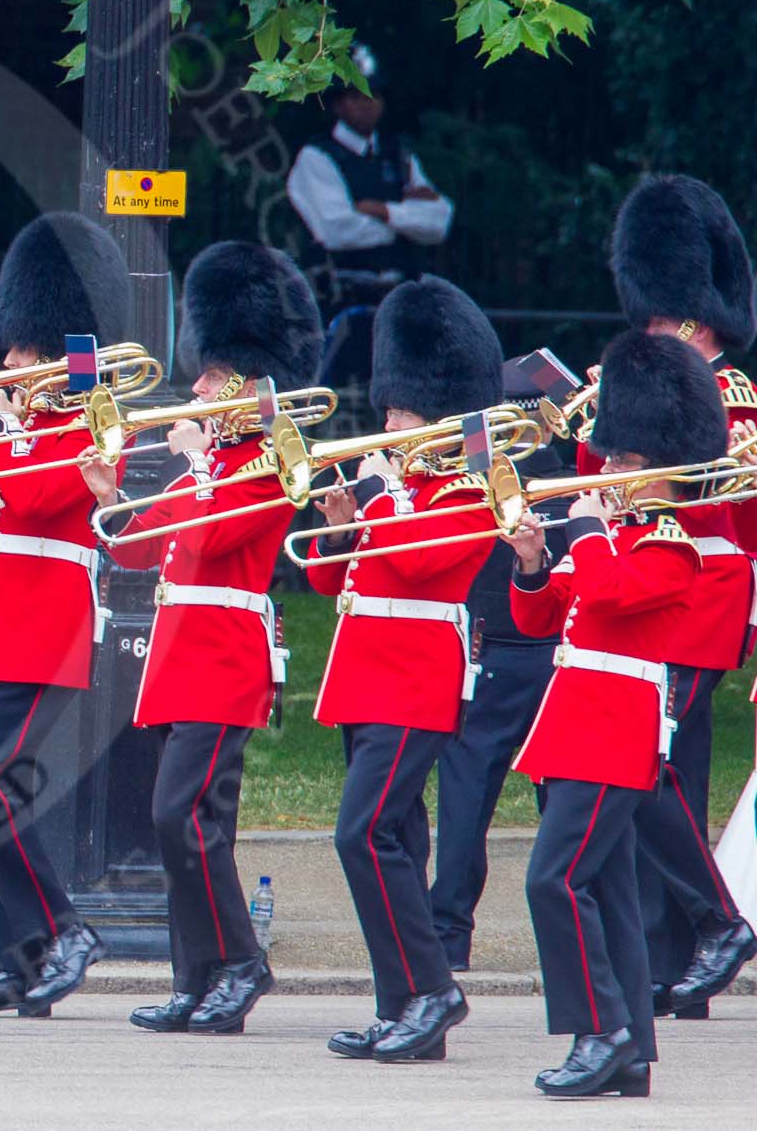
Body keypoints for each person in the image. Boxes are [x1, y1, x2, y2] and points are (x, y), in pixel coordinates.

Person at [80, 241, 323, 1036]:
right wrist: (107, 495)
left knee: (180, 816)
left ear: (246, 384)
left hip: (223, 657)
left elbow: (218, 542)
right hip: (182, 658)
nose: (196, 388)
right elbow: (136, 545)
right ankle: (198, 977)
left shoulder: (262, 464)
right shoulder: (209, 465)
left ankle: (240, 963)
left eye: (212, 377)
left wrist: (198, 462)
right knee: (187, 820)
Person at [507, 330, 726, 1098]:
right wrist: (534, 558)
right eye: (616, 458)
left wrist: (588, 529)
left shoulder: (671, 547)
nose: (613, 471)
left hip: (613, 730)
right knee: (604, 888)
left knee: (553, 880)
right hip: (576, 726)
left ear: (666, 470)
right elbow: (547, 619)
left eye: (629, 462)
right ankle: (631, 1050)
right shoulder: (614, 535)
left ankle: (598, 1031)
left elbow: (608, 595)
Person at [0, 213, 130, 1020]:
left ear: (55, 349)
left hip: (47, 626)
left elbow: (50, 497)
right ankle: (13, 964)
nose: (6, 363)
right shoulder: (18, 429)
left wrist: (5, 431)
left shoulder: (92, 420)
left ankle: (63, 931)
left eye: (22, 351)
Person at [301, 276, 501, 1062]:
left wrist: (380, 495)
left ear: (442, 412)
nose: (388, 419)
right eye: (388, 405)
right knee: (397, 838)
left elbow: (420, 564)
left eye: (404, 407)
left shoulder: (469, 488)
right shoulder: (401, 489)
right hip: (365, 677)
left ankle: (435, 989)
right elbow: (329, 581)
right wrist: (343, 526)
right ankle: (404, 1007)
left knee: (364, 832)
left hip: (416, 679)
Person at [597, 174, 757, 1018]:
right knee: (664, 775)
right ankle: (672, 961)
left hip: (701, 599)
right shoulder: (652, 378)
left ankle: (710, 925)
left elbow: (725, 506)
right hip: (645, 595)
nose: (646, 331)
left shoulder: (731, 393)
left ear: (693, 321)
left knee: (652, 767)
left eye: (658, 321)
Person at [428, 353, 572, 971]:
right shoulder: (572, 477)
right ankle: (570, 942)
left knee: (465, 804)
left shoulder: (476, 471)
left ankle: (448, 937)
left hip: (490, 650)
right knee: (562, 812)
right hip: (557, 657)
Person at [285, 44, 453, 385]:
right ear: (337, 103)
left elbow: (438, 220)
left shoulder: (398, 155)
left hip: (399, 296)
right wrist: (405, 219)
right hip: (338, 301)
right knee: (336, 396)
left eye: (373, 92)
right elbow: (337, 230)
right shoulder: (317, 157)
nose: (366, 101)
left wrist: (383, 211)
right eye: (355, 93)